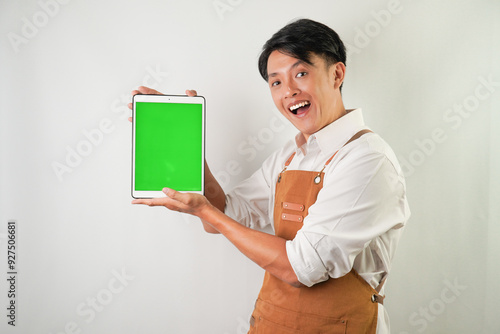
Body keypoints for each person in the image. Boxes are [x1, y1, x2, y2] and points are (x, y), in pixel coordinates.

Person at [130, 18, 410, 334]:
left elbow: (302, 267)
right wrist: (187, 148)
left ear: (337, 74)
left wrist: (204, 210)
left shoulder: (367, 159)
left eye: (301, 74)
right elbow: (222, 217)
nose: (289, 91)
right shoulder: (289, 158)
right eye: (275, 82)